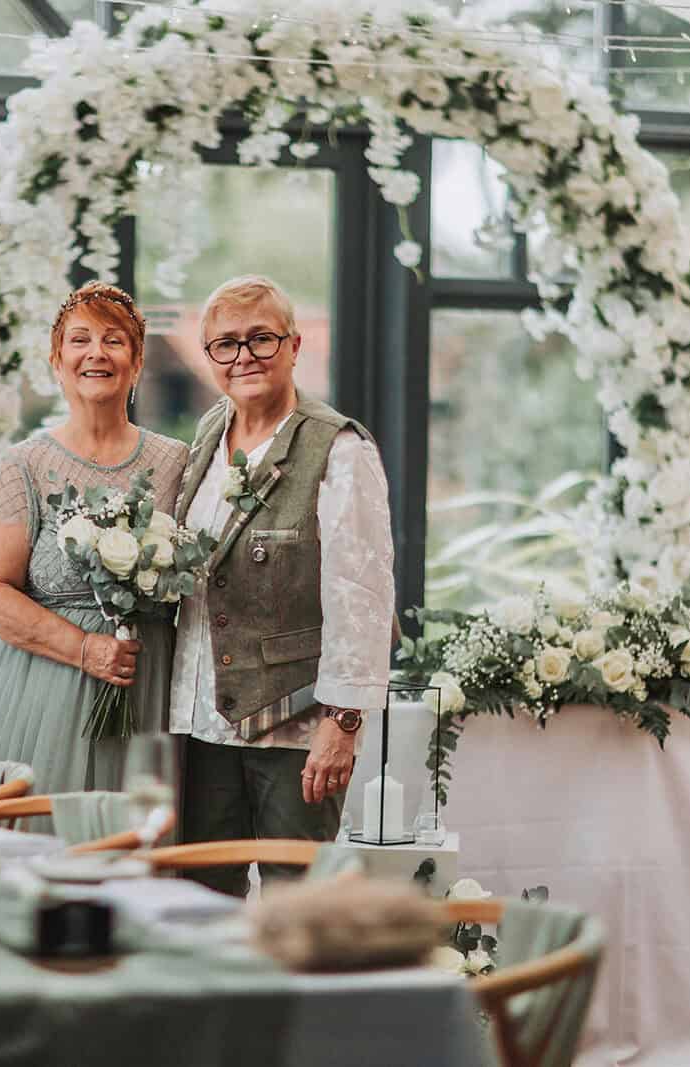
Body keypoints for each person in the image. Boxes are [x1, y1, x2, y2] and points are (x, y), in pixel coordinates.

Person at [170, 275, 395, 896]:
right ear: (210, 356)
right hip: (199, 719)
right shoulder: (208, 433)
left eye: (261, 339)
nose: (244, 356)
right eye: (226, 344)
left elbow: (364, 594)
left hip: (294, 724)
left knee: (297, 904)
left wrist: (341, 723)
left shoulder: (339, 448)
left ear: (294, 346)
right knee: (199, 898)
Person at [0, 282, 189, 793]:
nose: (96, 353)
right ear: (57, 362)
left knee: (131, 848)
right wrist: (84, 649)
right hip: (36, 696)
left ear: (138, 362)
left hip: (148, 692)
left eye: (114, 340)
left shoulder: (177, 464)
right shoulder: (24, 467)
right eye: (80, 340)